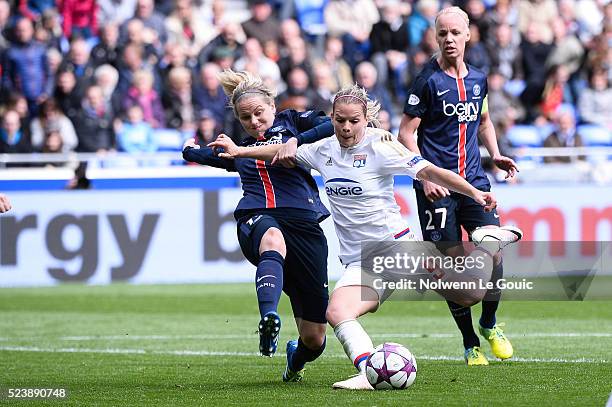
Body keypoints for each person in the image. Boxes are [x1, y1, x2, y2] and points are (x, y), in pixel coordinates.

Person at [209, 84, 523, 390]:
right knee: (336, 312)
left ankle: (489, 244)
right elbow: (279, 151)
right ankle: (369, 370)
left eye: (354, 121)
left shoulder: (381, 145)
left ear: (365, 118)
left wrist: (473, 192)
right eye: (340, 120)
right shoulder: (322, 148)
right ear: (330, 118)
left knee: (469, 295)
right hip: (362, 259)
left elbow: (430, 172)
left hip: (399, 247)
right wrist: (239, 152)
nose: (346, 127)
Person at [182, 69, 335, 382]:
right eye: (245, 117)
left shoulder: (294, 121)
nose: (253, 122)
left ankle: (295, 359)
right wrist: (188, 150)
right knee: (273, 238)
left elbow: (331, 124)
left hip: (305, 224)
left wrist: (295, 141)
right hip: (257, 215)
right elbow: (206, 155)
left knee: (315, 340)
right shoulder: (238, 149)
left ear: (273, 107)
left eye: (258, 113)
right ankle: (268, 316)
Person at [398, 6, 519, 366]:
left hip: (474, 182)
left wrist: (495, 153)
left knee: (494, 250)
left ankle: (490, 324)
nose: (448, 39)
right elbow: (406, 132)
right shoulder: (427, 81)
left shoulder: (479, 78)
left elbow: (483, 123)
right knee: (454, 268)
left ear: (468, 35)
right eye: (442, 34)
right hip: (437, 188)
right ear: (435, 37)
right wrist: (424, 175)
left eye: (454, 33)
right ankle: (470, 344)